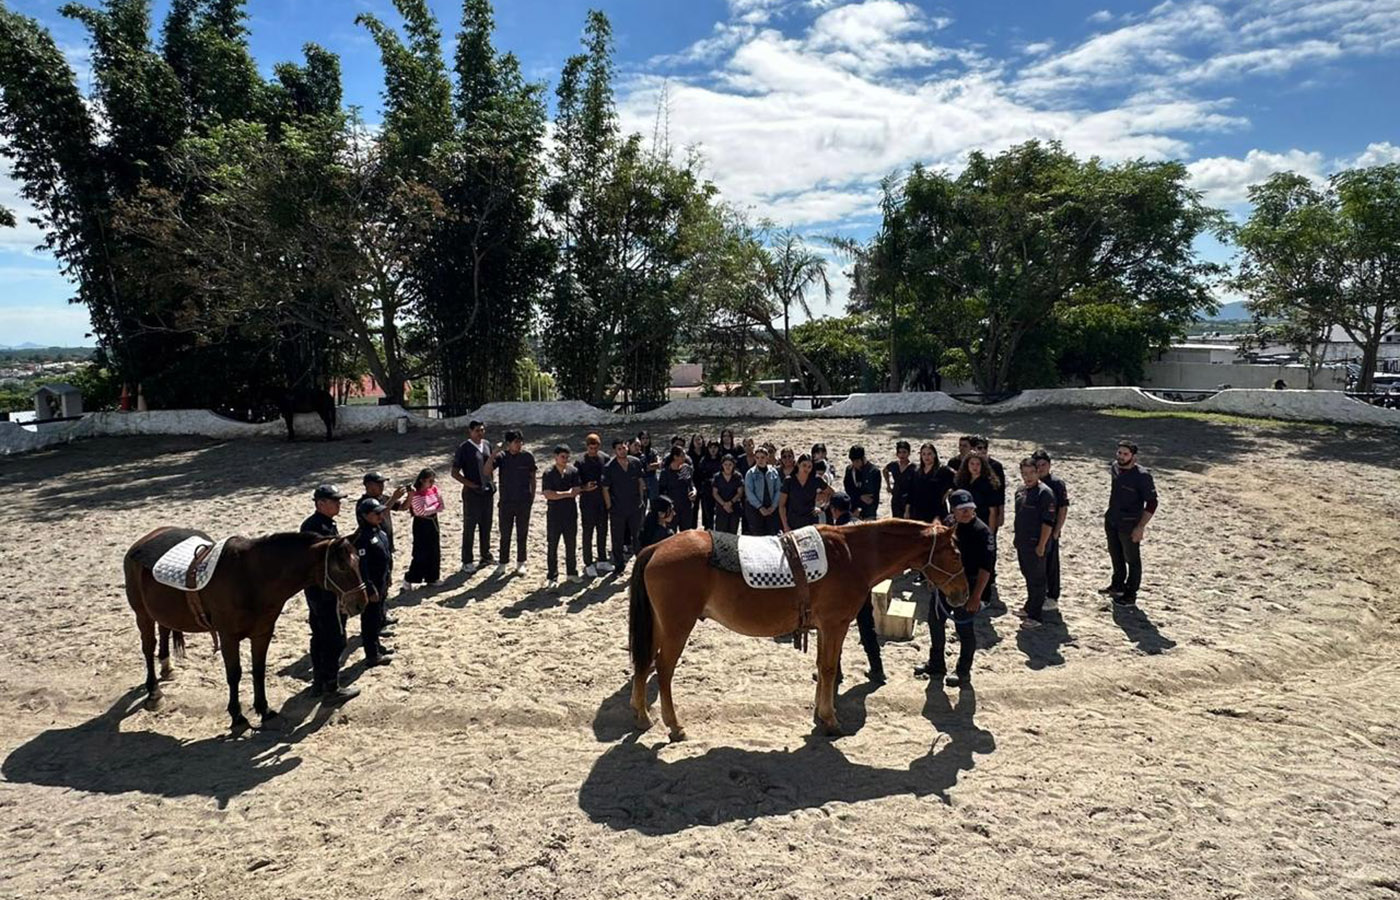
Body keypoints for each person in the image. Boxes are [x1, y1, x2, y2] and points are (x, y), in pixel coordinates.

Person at [915, 489, 993, 688]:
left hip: (968, 585)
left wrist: (976, 596)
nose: (967, 513)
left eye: (970, 509)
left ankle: (962, 672)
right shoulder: (949, 523)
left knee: (964, 629)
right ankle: (936, 664)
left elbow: (986, 569)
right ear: (954, 511)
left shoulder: (982, 532)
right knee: (935, 621)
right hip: (946, 583)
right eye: (962, 510)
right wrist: (933, 579)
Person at [300, 485, 358, 703]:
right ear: (320, 503)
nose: (339, 504)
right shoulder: (315, 528)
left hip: (318, 591)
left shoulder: (323, 524)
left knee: (320, 636)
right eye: (334, 501)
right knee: (335, 638)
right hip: (325, 592)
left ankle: (318, 681)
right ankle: (331, 686)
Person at [829, 492, 885, 684]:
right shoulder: (861, 527)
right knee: (867, 627)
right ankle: (877, 668)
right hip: (863, 586)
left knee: (835, 631)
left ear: (834, 510)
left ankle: (836, 673)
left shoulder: (837, 531)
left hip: (843, 590)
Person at [1101, 439, 1158, 606]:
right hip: (1112, 519)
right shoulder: (1114, 467)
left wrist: (1140, 527)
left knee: (1132, 559)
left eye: (1125, 454)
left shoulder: (1142, 476)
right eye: (1119, 453)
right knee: (1115, 553)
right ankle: (1117, 585)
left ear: (1133, 456)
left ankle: (1130, 594)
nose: (1121, 456)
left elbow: (1152, 503)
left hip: (1130, 524)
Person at [1013, 457, 1058, 627]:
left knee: (1037, 580)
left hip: (1037, 544)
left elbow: (1048, 522)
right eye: (1024, 473)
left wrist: (1041, 545)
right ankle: (1029, 607)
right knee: (1028, 576)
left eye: (1031, 473)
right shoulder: (1020, 490)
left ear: (1037, 472)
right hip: (1022, 542)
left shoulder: (1045, 493)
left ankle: (1035, 616)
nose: (1028, 477)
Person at [358, 472, 408, 619]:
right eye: (378, 483)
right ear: (369, 486)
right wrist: (393, 498)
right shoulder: (364, 503)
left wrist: (410, 495)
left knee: (385, 582)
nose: (382, 486)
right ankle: (377, 618)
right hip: (371, 548)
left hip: (385, 545)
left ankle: (382, 614)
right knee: (375, 584)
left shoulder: (383, 498)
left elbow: (403, 507)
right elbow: (380, 513)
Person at [352, 497, 394, 667]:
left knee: (377, 618)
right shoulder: (362, 537)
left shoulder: (379, 532)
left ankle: (377, 646)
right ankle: (371, 654)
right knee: (369, 620)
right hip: (372, 585)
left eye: (380, 512)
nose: (380, 516)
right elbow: (363, 566)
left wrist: (388, 576)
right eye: (375, 513)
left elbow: (386, 556)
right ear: (364, 516)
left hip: (382, 581)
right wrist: (369, 588)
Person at [452, 420, 494, 575]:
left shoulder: (487, 444)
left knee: (486, 525)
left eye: (482, 430)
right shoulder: (464, 448)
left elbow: (491, 467)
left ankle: (485, 555)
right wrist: (470, 485)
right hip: (472, 494)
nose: (480, 433)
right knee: (470, 527)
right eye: (477, 430)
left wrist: (491, 483)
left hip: (487, 492)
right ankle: (467, 560)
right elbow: (454, 473)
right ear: (470, 431)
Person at [492, 430, 537, 577]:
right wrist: (494, 453)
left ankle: (521, 562)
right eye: (516, 442)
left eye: (520, 442)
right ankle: (503, 562)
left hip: (523, 501)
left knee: (522, 533)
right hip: (506, 502)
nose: (519, 445)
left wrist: (532, 497)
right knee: (505, 533)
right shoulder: (502, 457)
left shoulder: (528, 457)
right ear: (509, 443)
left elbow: (533, 478)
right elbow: (486, 471)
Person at [1033, 449, 1070, 611]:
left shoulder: (1056, 483)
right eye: (1038, 465)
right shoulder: (1031, 482)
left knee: (1051, 564)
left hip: (1050, 529)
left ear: (1049, 465)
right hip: (1034, 530)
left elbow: (1063, 509)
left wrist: (1057, 530)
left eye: (1044, 464)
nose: (1041, 468)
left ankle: (1052, 596)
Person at [542, 444, 582, 591]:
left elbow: (577, 490)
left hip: (570, 513)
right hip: (554, 514)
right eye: (562, 457)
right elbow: (548, 494)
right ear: (556, 457)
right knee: (552, 545)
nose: (565, 459)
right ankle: (552, 576)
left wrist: (562, 494)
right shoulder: (548, 473)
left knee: (571, 544)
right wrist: (566, 493)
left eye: (567, 457)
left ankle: (572, 572)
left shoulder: (573, 471)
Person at [603, 438, 646, 573]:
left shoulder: (635, 462)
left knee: (638, 536)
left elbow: (640, 481)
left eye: (624, 448)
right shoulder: (609, 467)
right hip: (618, 508)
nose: (622, 451)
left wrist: (641, 499)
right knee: (618, 538)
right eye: (619, 449)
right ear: (615, 451)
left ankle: (640, 565)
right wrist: (610, 507)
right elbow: (605, 489)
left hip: (635, 506)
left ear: (627, 447)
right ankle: (619, 566)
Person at [576, 433, 612, 577]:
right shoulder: (580, 462)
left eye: (596, 448)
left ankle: (602, 559)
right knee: (588, 532)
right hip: (587, 502)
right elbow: (576, 482)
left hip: (602, 501)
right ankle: (588, 563)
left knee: (602, 530)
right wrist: (585, 487)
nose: (593, 451)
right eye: (591, 448)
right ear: (587, 447)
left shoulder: (605, 458)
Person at [404, 468, 443, 589]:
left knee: (434, 551)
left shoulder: (434, 489)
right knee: (421, 553)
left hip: (433, 522)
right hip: (421, 525)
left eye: (433, 481)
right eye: (429, 481)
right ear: (422, 480)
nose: (432, 484)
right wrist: (434, 507)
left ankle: (432, 578)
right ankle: (409, 578)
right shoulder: (415, 494)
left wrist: (431, 508)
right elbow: (419, 511)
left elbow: (441, 506)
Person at [906, 442, 955, 523]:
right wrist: (907, 510)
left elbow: (959, 479)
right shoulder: (916, 471)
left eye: (929, 454)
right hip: (918, 511)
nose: (926, 457)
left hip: (936, 510)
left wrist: (950, 491)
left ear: (934, 455)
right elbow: (911, 492)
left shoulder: (942, 470)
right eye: (924, 454)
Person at [742, 445, 781, 535]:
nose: (760, 460)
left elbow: (778, 489)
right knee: (757, 535)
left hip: (770, 507)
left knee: (771, 534)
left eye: (762, 457)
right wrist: (760, 507)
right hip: (755, 509)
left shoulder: (773, 472)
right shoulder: (750, 473)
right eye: (757, 457)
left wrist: (773, 506)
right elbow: (749, 492)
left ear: (767, 458)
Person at [778, 453, 821, 531]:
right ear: (798, 464)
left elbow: (830, 493)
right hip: (793, 522)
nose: (806, 469)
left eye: (809, 467)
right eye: (804, 465)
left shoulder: (815, 480)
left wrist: (821, 507)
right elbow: (782, 505)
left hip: (811, 522)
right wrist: (785, 525)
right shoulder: (789, 481)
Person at [659, 447, 697, 531]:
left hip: (686, 507)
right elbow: (661, 492)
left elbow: (691, 484)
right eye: (682, 455)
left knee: (686, 534)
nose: (685, 457)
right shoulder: (666, 473)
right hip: (672, 509)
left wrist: (694, 491)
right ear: (675, 457)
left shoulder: (685, 468)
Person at [843, 445, 881, 520]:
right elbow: (849, 489)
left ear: (863, 459)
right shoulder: (850, 470)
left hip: (868, 511)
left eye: (857, 461)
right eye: (853, 461)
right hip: (853, 509)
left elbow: (870, 496)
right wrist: (859, 498)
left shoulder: (874, 472)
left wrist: (860, 507)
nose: (855, 464)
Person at [711, 454, 744, 533]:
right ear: (722, 465)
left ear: (733, 465)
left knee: (732, 533)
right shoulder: (717, 477)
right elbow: (715, 493)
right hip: (721, 508)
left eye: (730, 464)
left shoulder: (737, 476)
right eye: (725, 464)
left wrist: (730, 503)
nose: (727, 467)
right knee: (720, 533)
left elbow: (740, 492)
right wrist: (724, 504)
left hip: (734, 507)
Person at [696, 440, 725, 530]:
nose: (713, 450)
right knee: (708, 511)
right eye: (711, 448)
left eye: (715, 448)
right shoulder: (703, 460)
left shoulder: (722, 459)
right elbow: (700, 474)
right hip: (707, 489)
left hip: (720, 489)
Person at [884, 441, 915, 518]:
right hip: (896, 496)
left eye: (904, 452)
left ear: (908, 453)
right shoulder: (894, 465)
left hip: (907, 498)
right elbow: (885, 470)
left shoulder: (913, 468)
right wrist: (888, 485)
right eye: (900, 452)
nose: (902, 455)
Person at [636, 430, 661, 508]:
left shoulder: (653, 452)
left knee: (654, 504)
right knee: (642, 504)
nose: (645, 440)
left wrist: (650, 466)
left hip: (652, 479)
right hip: (641, 480)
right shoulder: (637, 453)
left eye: (647, 438)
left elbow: (659, 464)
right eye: (643, 438)